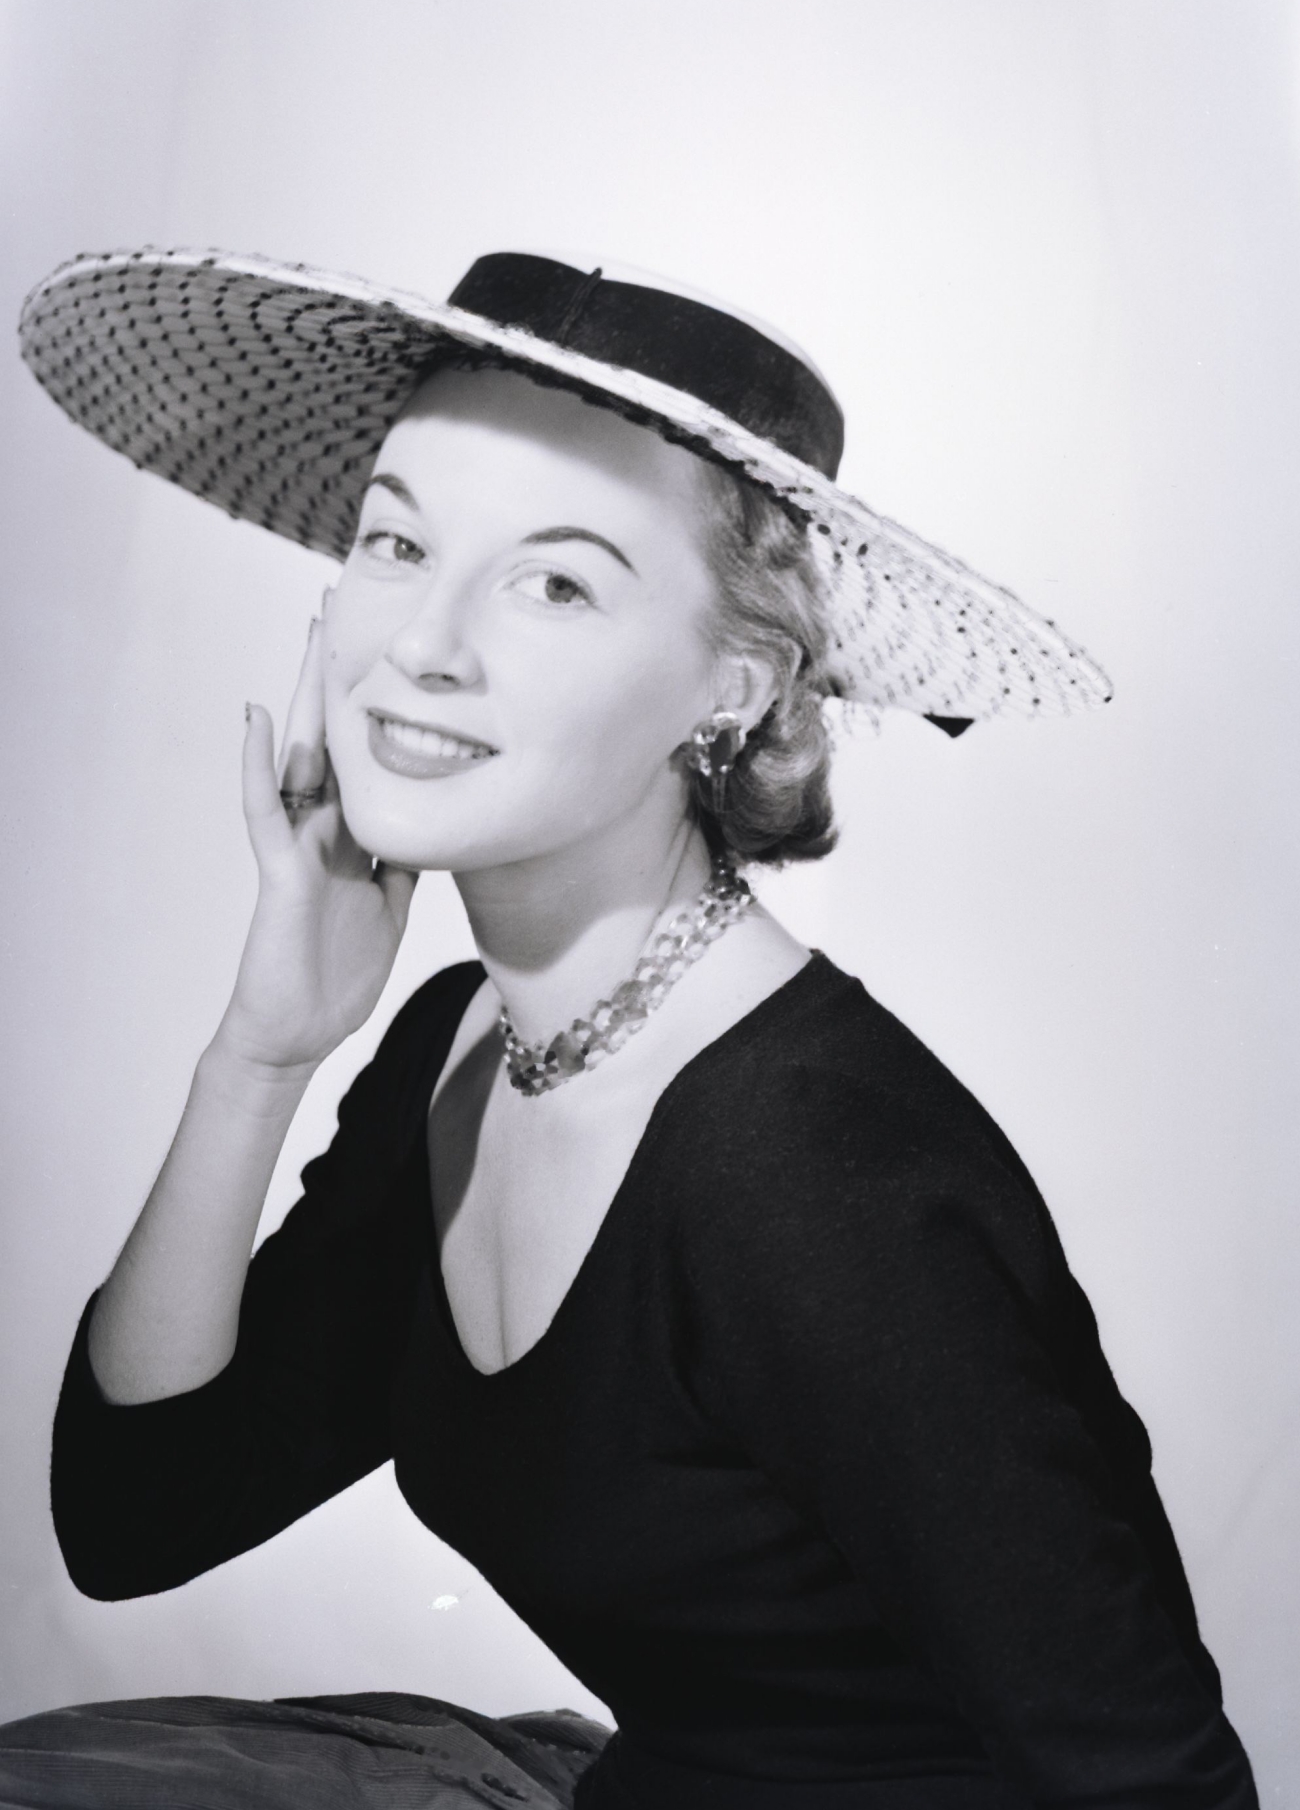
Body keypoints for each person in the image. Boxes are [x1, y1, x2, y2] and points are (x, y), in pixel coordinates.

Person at [3, 248, 1257, 1808]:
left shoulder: (819, 1182)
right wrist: (261, 1053)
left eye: (558, 578)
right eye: (399, 538)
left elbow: (1155, 1783)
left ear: (730, 690)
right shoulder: (464, 1045)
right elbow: (136, 1513)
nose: (426, 642)